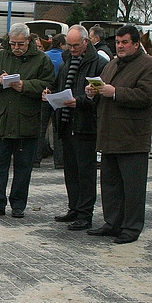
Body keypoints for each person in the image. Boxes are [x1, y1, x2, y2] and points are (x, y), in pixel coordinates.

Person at [86, 25, 152, 244]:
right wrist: (94, 93)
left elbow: (146, 96)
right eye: (118, 43)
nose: (120, 46)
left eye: (125, 42)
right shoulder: (112, 64)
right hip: (109, 134)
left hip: (132, 136)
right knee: (110, 185)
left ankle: (131, 227)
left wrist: (116, 92)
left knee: (133, 187)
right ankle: (112, 222)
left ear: (137, 44)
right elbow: (103, 92)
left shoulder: (150, 66)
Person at [0, 23, 54, 218]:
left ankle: (18, 204)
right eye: (13, 44)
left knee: (23, 169)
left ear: (29, 41)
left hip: (27, 123)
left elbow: (48, 83)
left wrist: (26, 86)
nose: (16, 48)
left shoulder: (41, 60)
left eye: (20, 44)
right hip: (2, 122)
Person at [44, 25, 108, 231]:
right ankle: (74, 207)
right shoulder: (67, 62)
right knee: (70, 170)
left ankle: (85, 213)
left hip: (85, 125)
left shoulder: (98, 63)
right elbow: (58, 84)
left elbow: (99, 95)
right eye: (69, 45)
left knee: (85, 171)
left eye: (76, 45)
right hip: (66, 122)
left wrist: (79, 101)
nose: (71, 49)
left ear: (86, 43)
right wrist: (50, 92)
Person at [35, 35, 67, 168]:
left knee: (41, 129)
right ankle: (59, 161)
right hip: (58, 96)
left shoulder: (44, 56)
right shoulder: (65, 58)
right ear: (61, 44)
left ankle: (35, 159)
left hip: (43, 95)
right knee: (57, 129)